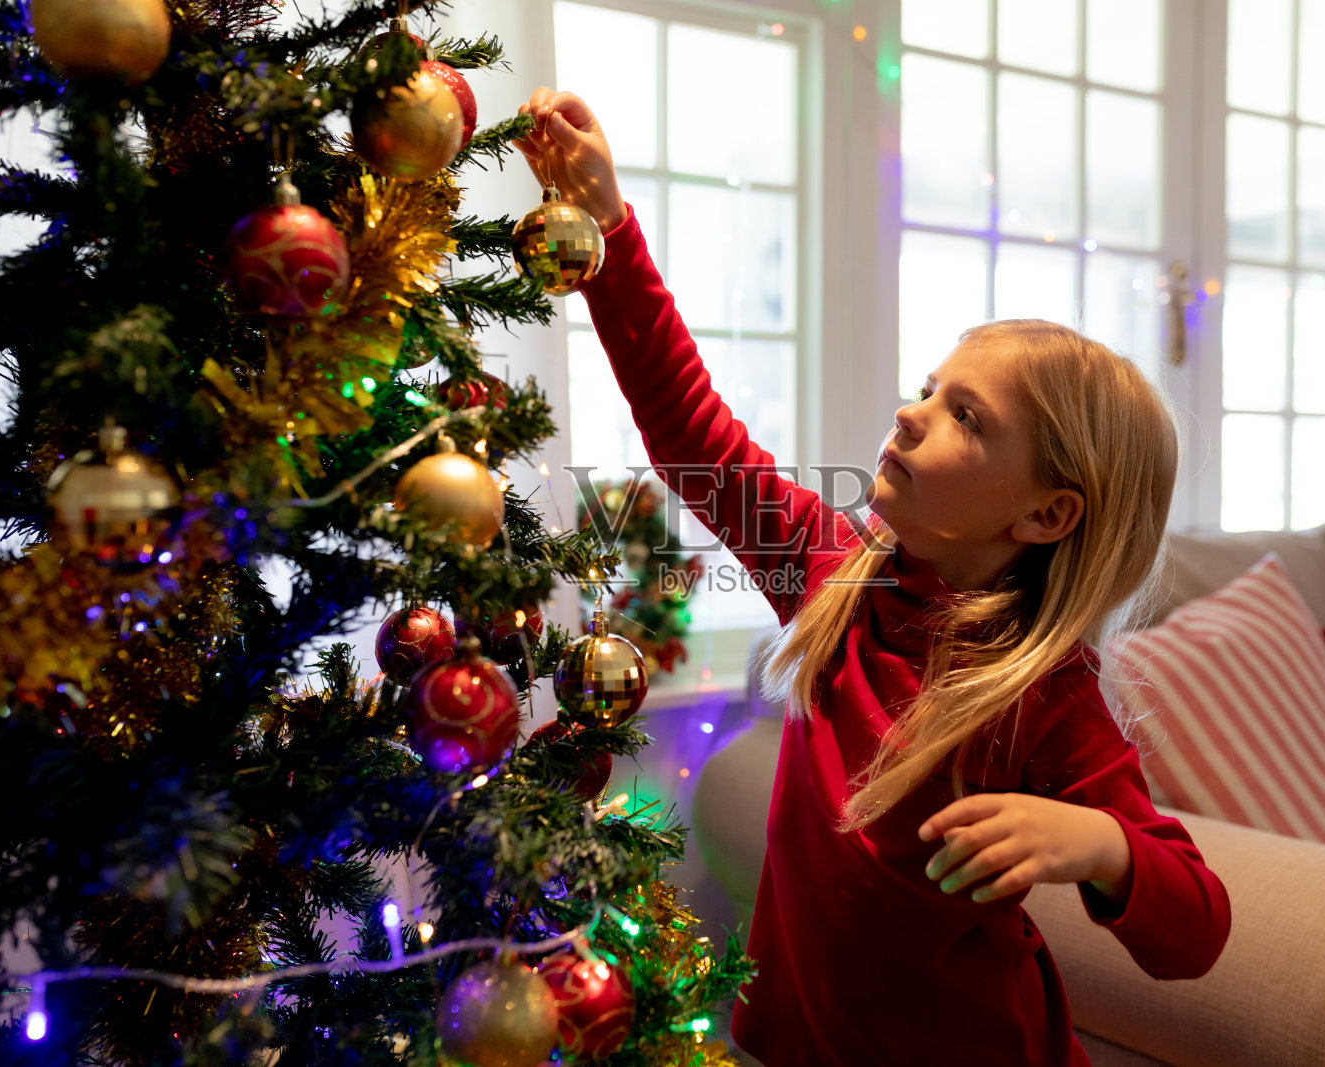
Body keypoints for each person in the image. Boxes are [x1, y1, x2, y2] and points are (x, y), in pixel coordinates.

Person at [514, 88, 1231, 1067]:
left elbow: (1195, 930)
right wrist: (607, 225)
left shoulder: (1043, 698)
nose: (909, 412)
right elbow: (692, 434)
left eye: (964, 415)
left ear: (1045, 512)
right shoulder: (829, 571)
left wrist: (1099, 844)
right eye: (928, 388)